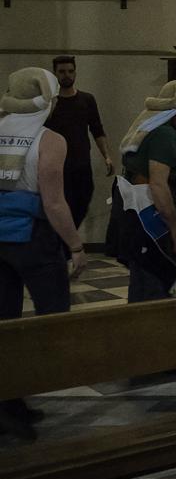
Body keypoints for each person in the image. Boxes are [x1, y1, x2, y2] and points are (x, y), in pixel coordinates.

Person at [0, 68, 89, 438]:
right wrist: (76, 245)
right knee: (52, 322)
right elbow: (53, 203)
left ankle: (9, 402)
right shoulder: (49, 139)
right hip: (33, 240)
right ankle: (17, 398)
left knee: (4, 324)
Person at [113, 80, 176, 303]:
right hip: (152, 221)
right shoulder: (164, 136)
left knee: (140, 283)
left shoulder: (145, 129)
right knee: (157, 287)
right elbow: (158, 186)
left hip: (133, 218)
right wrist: (175, 226)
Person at [44, 55, 114, 229]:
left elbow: (97, 129)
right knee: (58, 204)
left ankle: (68, 240)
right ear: (55, 74)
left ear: (75, 72)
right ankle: (63, 244)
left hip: (81, 163)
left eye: (70, 71)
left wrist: (107, 156)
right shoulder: (50, 103)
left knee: (82, 201)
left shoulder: (86, 100)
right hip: (56, 165)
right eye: (61, 72)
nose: (66, 75)